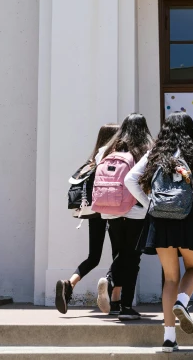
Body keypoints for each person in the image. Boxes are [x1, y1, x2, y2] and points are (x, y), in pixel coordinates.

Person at [125, 112, 193, 353]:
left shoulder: (155, 153)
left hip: (159, 219)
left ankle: (169, 338)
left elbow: (130, 179)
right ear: (189, 130)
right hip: (186, 217)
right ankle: (183, 301)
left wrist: (149, 202)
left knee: (170, 278)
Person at [55, 123, 119, 315]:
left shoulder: (93, 159)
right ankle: (114, 297)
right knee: (120, 253)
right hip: (114, 209)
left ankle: (70, 283)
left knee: (94, 256)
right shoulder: (115, 156)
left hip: (94, 210)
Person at [96, 114, 154, 321]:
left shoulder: (106, 150)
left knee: (120, 253)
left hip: (111, 209)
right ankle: (125, 306)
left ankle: (112, 291)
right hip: (136, 210)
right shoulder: (146, 150)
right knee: (133, 257)